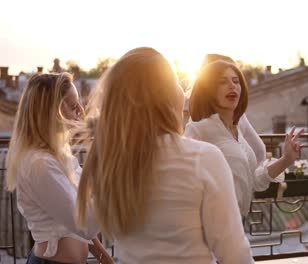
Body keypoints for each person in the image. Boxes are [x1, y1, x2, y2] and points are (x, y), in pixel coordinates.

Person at [76, 47, 253, 264]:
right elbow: (235, 254)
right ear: (168, 94)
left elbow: (86, 227)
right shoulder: (204, 158)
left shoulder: (112, 162)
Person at [5, 73, 112, 264]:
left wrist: (104, 258)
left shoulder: (58, 155)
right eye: (73, 106)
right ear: (50, 112)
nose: (81, 109)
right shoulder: (39, 164)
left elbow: (73, 217)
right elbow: (84, 223)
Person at [185, 60, 302, 217]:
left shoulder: (237, 129)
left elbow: (254, 182)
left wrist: (286, 159)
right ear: (208, 91)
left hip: (238, 224)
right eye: (222, 82)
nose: (232, 86)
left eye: (236, 81)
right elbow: (185, 184)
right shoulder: (198, 130)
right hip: (212, 227)